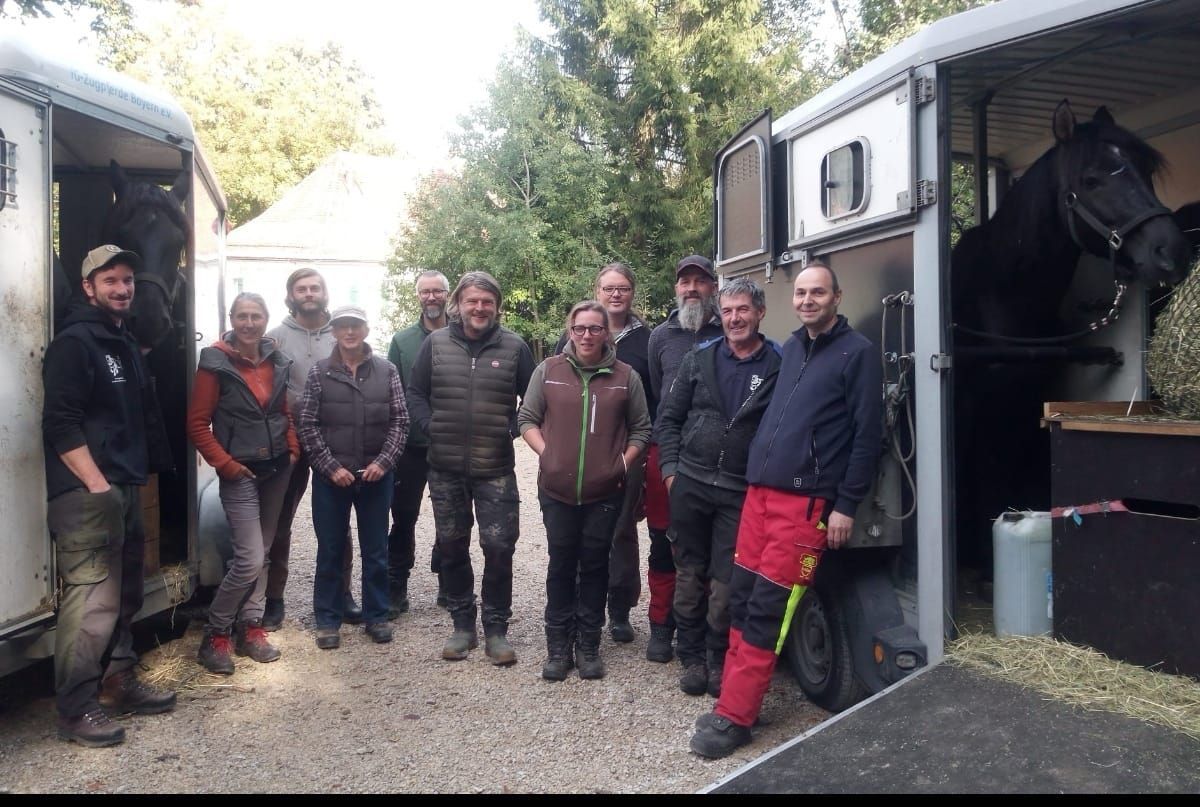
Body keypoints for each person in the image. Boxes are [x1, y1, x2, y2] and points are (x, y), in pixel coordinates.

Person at [689, 263, 882, 759]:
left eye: (818, 292)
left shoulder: (857, 353)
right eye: (801, 293)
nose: (808, 300)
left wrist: (845, 505)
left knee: (768, 611)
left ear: (837, 296)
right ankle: (734, 698)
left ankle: (736, 717)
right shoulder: (792, 347)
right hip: (760, 495)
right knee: (741, 598)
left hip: (805, 503)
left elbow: (867, 437)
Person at [42, 244, 177, 747]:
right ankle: (76, 710)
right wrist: (96, 484)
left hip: (122, 484)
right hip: (87, 493)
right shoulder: (75, 343)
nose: (122, 289)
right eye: (110, 280)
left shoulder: (120, 340)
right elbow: (59, 423)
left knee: (127, 594)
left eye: (127, 281)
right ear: (88, 287)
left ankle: (117, 678)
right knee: (93, 601)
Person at [657, 278, 781, 700]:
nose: (734, 318)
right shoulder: (700, 358)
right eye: (727, 311)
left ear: (760, 312)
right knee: (689, 575)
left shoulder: (779, 364)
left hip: (739, 490)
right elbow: (668, 419)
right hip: (690, 483)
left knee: (726, 581)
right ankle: (691, 656)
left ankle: (717, 657)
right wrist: (671, 471)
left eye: (743, 309)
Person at [407, 271, 535, 665]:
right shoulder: (435, 344)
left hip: (495, 468)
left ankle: (496, 629)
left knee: (499, 548)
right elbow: (415, 393)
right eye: (472, 301)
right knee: (451, 546)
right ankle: (462, 625)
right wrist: (430, 427)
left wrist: (509, 428)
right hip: (445, 468)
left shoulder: (515, 346)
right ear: (458, 304)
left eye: (487, 302)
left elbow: (533, 400)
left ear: (497, 306)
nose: (479, 308)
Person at [520, 301, 652, 681]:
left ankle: (589, 644)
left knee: (595, 565)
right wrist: (548, 455)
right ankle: (558, 646)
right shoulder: (549, 371)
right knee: (561, 564)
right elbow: (527, 418)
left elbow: (642, 428)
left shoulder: (625, 376)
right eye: (580, 328)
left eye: (595, 328)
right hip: (557, 490)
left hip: (605, 492)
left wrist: (621, 464)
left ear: (606, 333)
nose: (587, 335)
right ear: (570, 331)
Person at [187, 293, 299, 674]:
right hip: (240, 472)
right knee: (249, 556)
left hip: (277, 469)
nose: (249, 323)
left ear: (266, 319)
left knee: (262, 552)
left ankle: (250, 627)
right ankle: (215, 633)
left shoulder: (276, 359)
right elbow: (197, 424)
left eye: (256, 316)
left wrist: (293, 448)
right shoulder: (215, 362)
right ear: (232, 320)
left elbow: (284, 410)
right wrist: (226, 465)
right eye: (242, 316)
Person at [297, 306, 409, 649]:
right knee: (330, 549)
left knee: (375, 551)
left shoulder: (387, 371)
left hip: (376, 478)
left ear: (366, 329)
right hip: (332, 480)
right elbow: (307, 424)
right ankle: (327, 620)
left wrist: (383, 463)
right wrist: (330, 467)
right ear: (333, 332)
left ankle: (377, 616)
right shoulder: (320, 373)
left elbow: (400, 421)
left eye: (355, 326)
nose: (349, 332)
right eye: (343, 326)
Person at [552, 263, 652, 643]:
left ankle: (620, 609)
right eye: (608, 288)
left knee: (621, 531)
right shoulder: (574, 338)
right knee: (581, 532)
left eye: (622, 287)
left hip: (625, 453)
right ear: (597, 290)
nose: (615, 294)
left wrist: (636, 455)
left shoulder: (647, 341)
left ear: (632, 292)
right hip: (579, 453)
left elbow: (652, 402)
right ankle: (582, 605)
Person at [263, 268, 360, 629]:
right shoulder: (275, 338)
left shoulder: (339, 335)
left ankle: (343, 593)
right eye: (301, 289)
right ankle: (273, 597)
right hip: (287, 440)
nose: (308, 293)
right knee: (279, 522)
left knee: (338, 523)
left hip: (331, 441)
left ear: (324, 293)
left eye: (314, 288)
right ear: (291, 295)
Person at [643, 254, 723, 663]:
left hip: (713, 457)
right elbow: (659, 393)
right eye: (684, 282)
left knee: (707, 545)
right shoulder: (661, 336)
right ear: (676, 288)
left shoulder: (729, 330)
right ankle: (661, 625)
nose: (692, 288)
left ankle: (702, 629)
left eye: (700, 281)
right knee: (663, 542)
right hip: (666, 451)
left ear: (714, 287)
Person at [385, 270, 450, 615]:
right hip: (410, 444)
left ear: (447, 295)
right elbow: (391, 390)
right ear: (418, 296)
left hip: (451, 443)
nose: (431, 297)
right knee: (403, 515)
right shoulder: (403, 340)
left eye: (437, 291)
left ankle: (448, 579)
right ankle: (396, 584)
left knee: (450, 517)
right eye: (425, 292)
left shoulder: (462, 335)